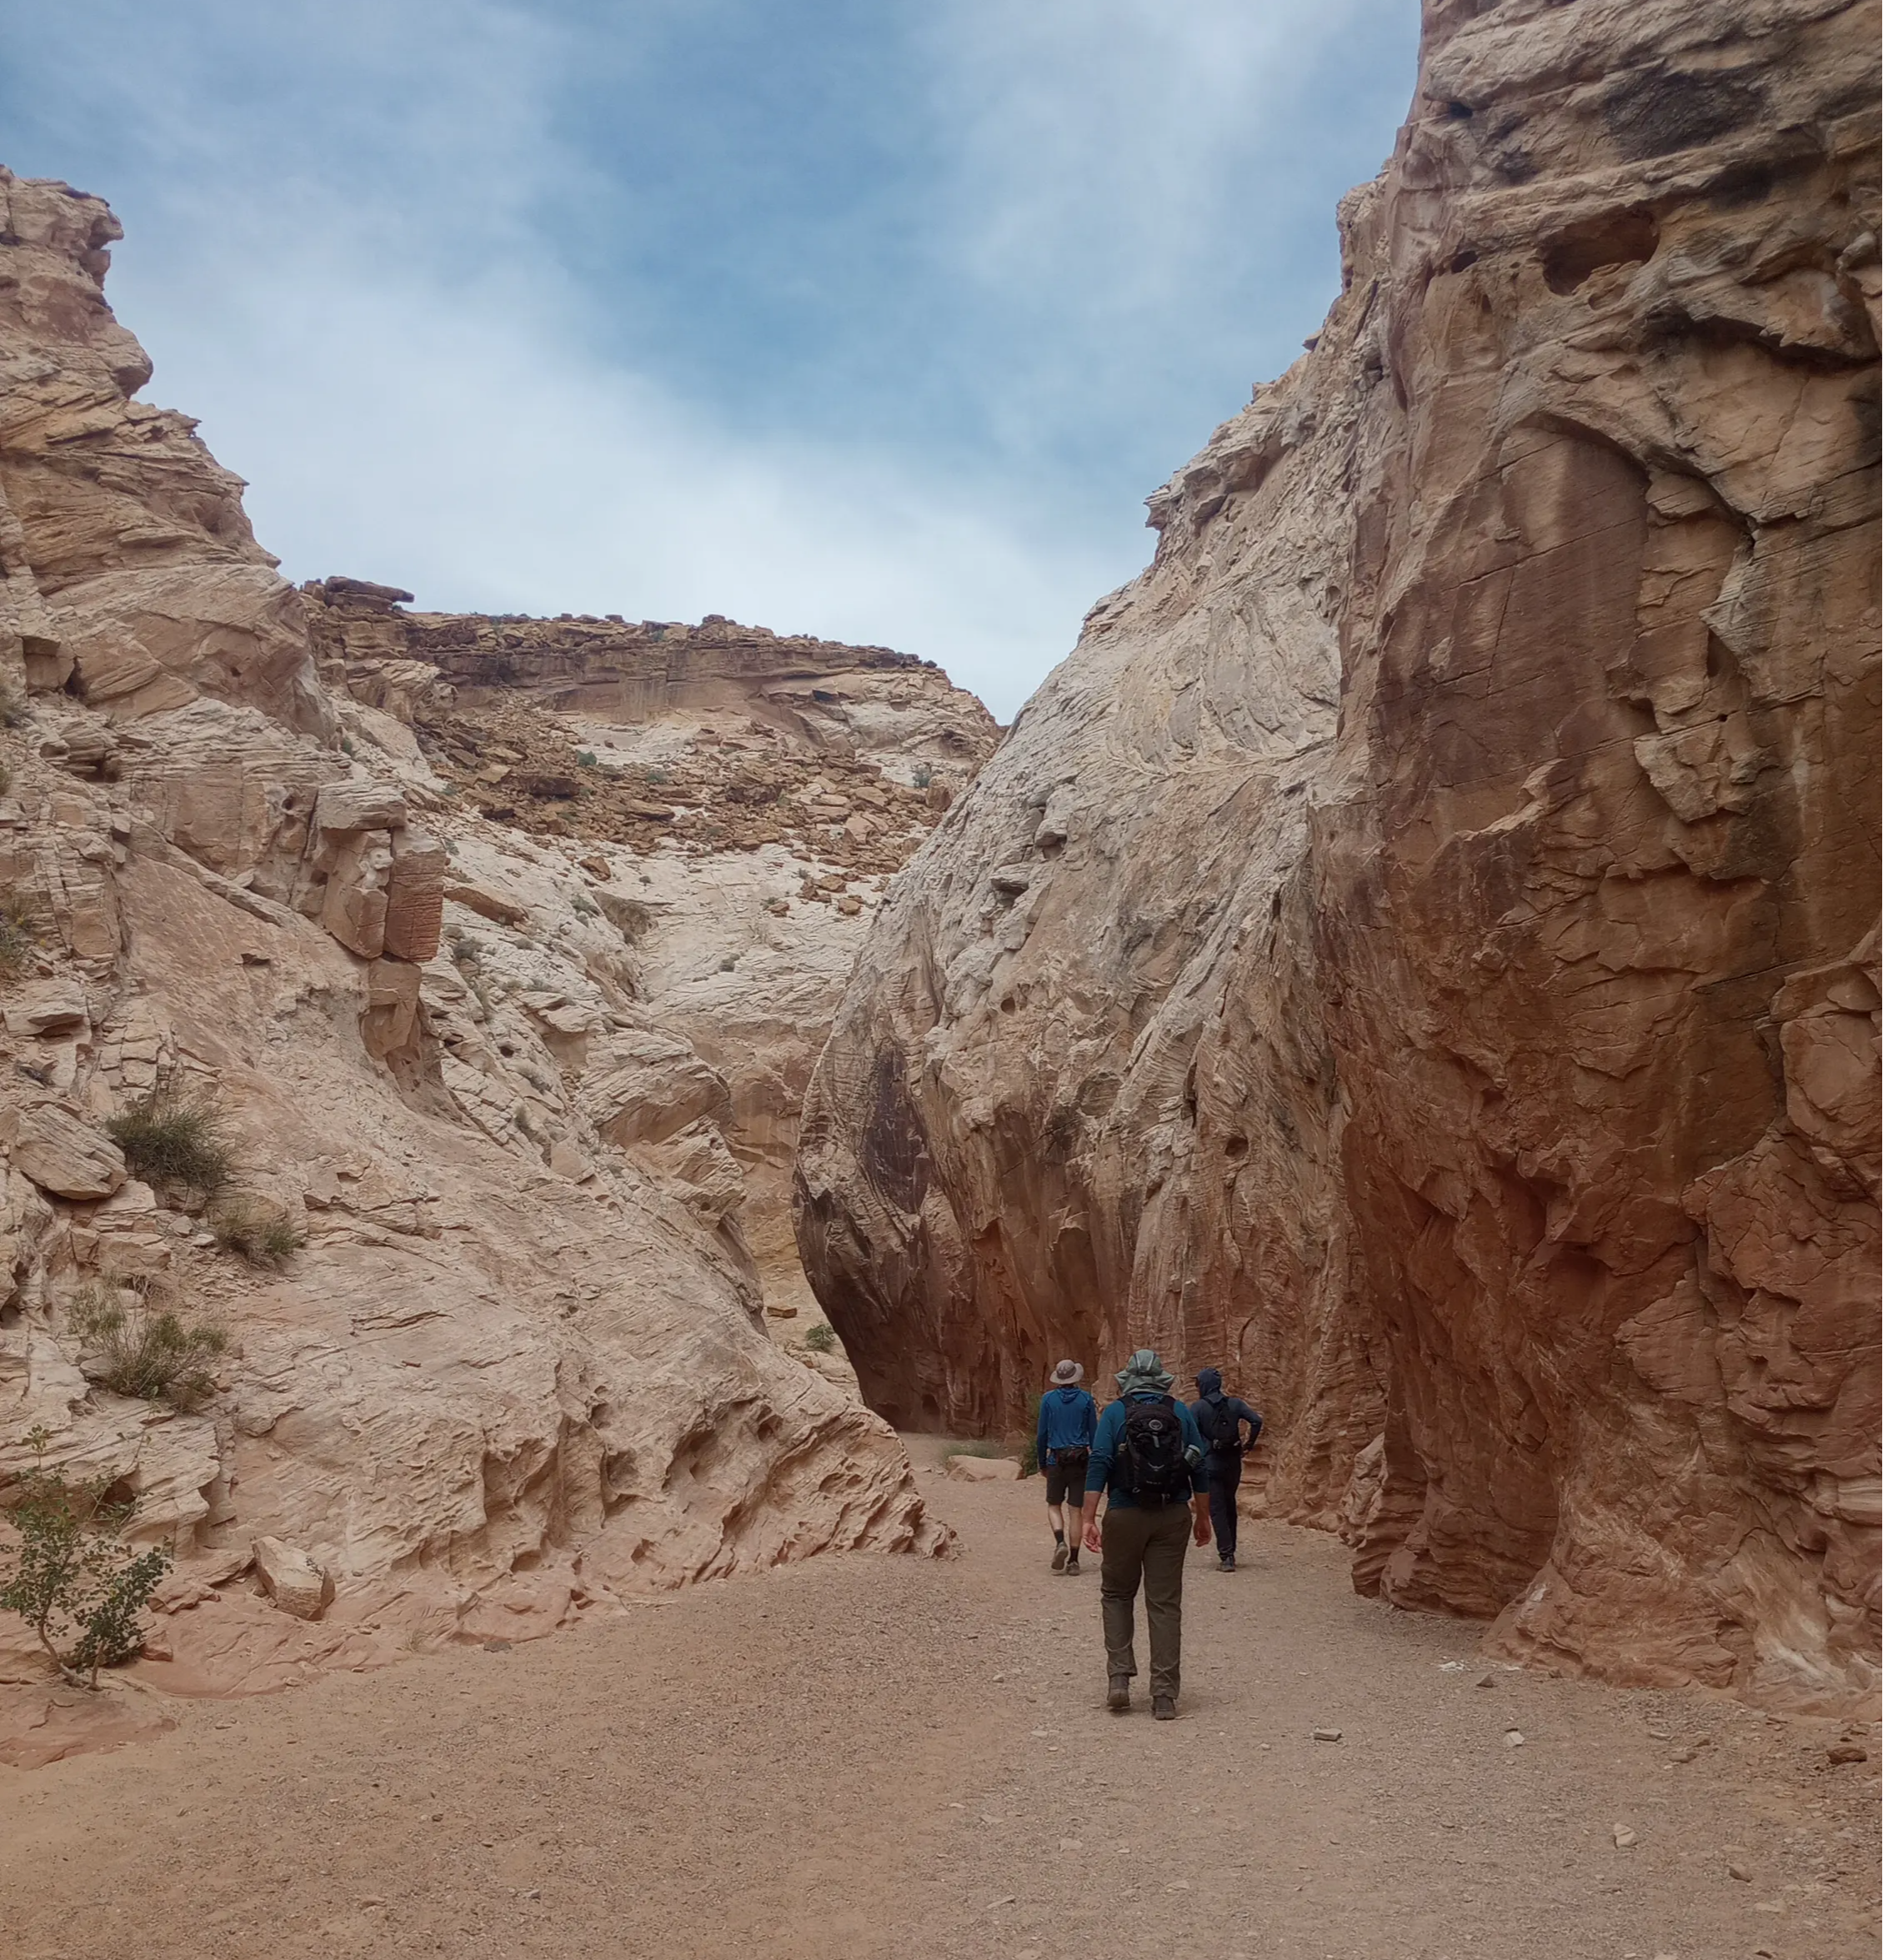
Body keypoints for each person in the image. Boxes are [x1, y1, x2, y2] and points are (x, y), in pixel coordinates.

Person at [1078, 1349, 1210, 1720]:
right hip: (1171, 1514)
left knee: (1117, 1594)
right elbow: (1200, 1462)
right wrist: (1203, 1516)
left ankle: (1119, 1678)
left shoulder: (1117, 1413)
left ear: (1127, 1381)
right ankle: (1164, 1695)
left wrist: (1088, 1518)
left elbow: (1100, 1461)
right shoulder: (1179, 1411)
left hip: (1123, 1512)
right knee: (1164, 1603)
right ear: (1162, 1380)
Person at [1191, 1367, 1262, 1572]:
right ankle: (1232, 1550)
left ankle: (1227, 1556)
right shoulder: (1235, 1403)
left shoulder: (1197, 1408)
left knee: (1217, 1509)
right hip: (1233, 1463)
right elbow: (1257, 1421)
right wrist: (1248, 1444)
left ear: (1203, 1385)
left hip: (1210, 1464)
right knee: (1230, 1504)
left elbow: (1190, 1434)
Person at [1036, 1360, 1097, 1573]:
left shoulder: (1048, 1400)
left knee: (1054, 1505)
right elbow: (1094, 1434)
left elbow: (1042, 1433)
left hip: (1056, 1460)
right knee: (1076, 1510)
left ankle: (1059, 1540)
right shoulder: (1086, 1399)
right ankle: (1073, 1561)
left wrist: (1042, 1463)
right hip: (1080, 1461)